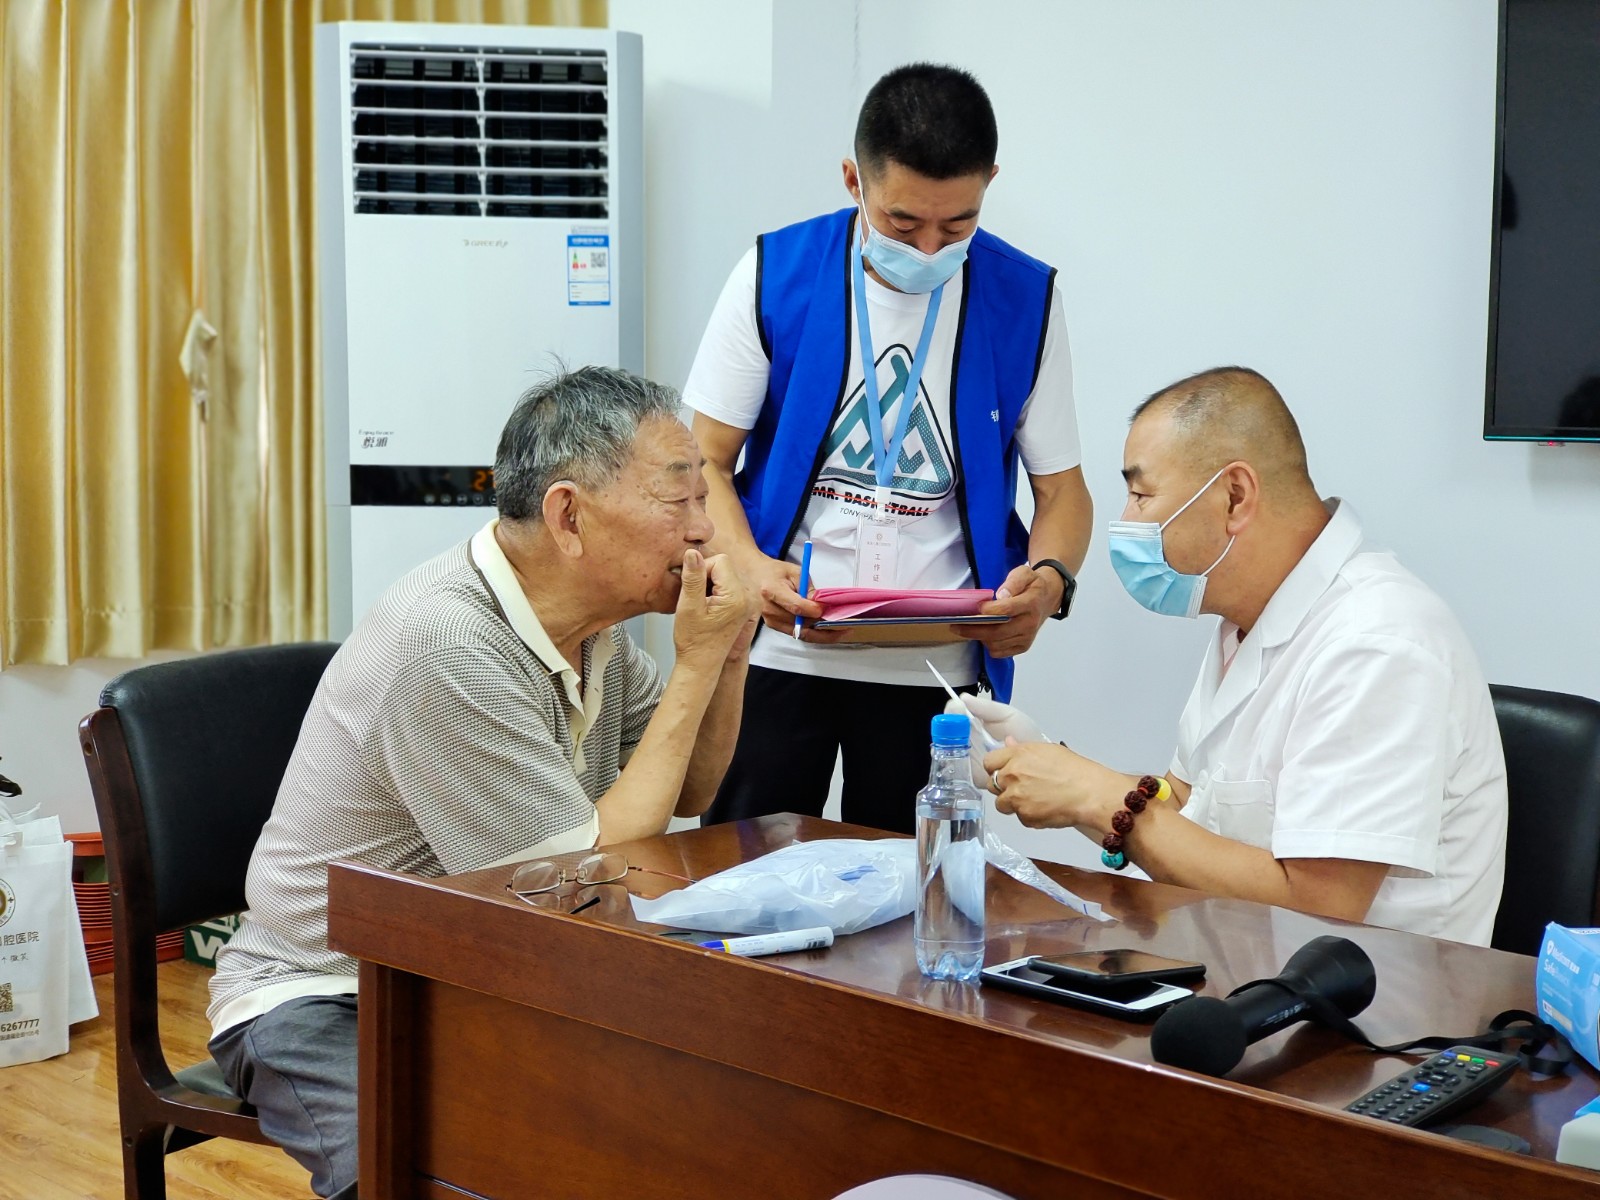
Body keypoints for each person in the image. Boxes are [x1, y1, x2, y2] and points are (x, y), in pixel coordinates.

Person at [207, 366, 758, 1198]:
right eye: (678, 501)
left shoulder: (593, 630)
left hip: (477, 971)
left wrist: (729, 653)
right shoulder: (447, 643)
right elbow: (570, 877)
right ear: (568, 516)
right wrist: (697, 661)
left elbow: (690, 792)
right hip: (325, 991)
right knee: (431, 1173)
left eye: (702, 502)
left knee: (675, 1122)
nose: (703, 532)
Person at [685, 63, 1093, 835]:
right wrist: (747, 565)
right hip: (779, 647)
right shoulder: (776, 273)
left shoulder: (1025, 300)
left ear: (990, 183)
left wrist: (1049, 582)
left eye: (958, 225)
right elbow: (703, 458)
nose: (930, 248)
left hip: (934, 662)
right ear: (853, 180)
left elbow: (1063, 491)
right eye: (903, 224)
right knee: (744, 870)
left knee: (914, 887)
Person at [965, 366, 1507, 945]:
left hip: (1376, 994)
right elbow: (1185, 809)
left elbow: (1322, 906)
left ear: (1235, 496)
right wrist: (1053, 767)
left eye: (1142, 495)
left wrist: (1094, 795)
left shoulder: (1377, 641)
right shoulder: (1248, 620)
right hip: (1237, 964)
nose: (1125, 523)